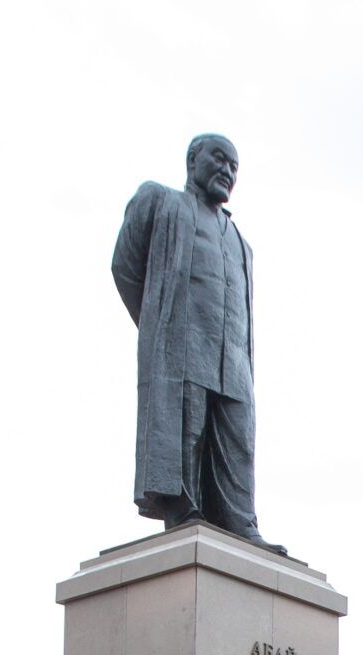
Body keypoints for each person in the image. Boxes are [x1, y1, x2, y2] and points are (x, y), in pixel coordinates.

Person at [111, 135, 276, 547]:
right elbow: (125, 266)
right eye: (219, 160)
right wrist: (159, 323)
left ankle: (240, 520)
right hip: (182, 343)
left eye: (235, 167)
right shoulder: (160, 201)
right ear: (192, 160)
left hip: (233, 358)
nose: (227, 171)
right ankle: (181, 507)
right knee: (184, 430)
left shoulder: (241, 242)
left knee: (235, 438)